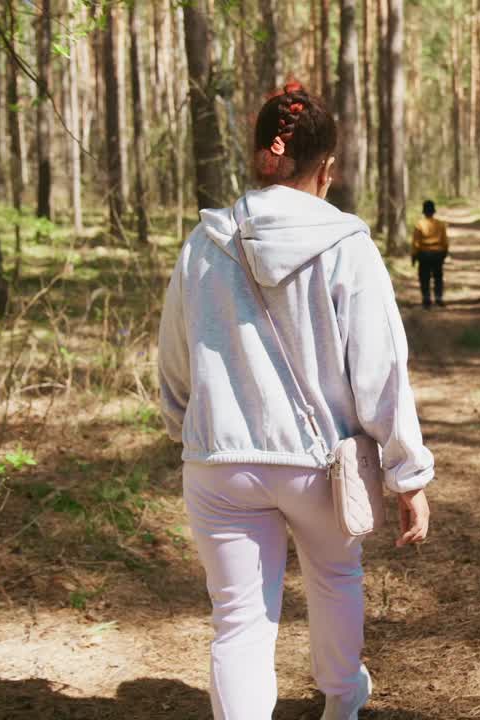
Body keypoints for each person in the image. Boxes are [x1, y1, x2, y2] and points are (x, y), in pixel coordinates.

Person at [158, 82, 434, 720]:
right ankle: (342, 703)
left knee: (239, 622)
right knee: (335, 579)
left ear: (261, 156)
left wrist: (187, 428)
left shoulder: (204, 242)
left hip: (220, 460)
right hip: (321, 464)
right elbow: (381, 368)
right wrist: (406, 473)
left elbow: (175, 352)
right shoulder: (347, 246)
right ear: (326, 170)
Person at [411, 199, 449, 309]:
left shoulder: (419, 224)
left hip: (424, 255)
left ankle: (426, 299)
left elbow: (415, 242)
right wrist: (445, 252)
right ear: (433, 211)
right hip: (438, 254)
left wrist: (414, 256)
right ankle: (438, 298)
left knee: (424, 277)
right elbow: (445, 241)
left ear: (424, 211)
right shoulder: (440, 224)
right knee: (438, 276)